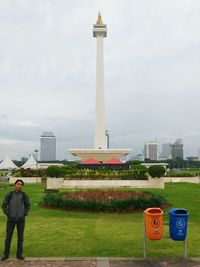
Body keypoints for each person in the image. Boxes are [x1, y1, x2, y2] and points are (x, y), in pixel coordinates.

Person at [1, 179, 30, 261]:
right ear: (15, 185)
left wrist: (24, 214)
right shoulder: (9, 194)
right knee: (8, 238)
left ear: (22, 186)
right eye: (18, 184)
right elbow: (4, 205)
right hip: (11, 220)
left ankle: (19, 255)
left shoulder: (24, 195)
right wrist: (8, 214)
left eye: (21, 184)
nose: (19, 185)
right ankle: (6, 255)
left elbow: (28, 206)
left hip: (21, 220)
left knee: (20, 238)